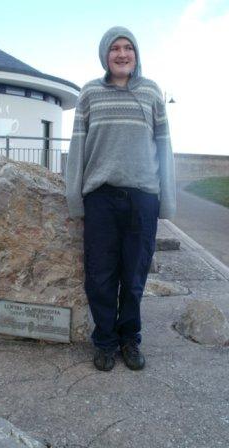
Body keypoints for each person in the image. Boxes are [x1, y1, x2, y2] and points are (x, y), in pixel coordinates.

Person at [65, 26, 176, 372]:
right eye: (115, 48)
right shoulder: (89, 95)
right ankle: (105, 341)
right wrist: (74, 199)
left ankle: (130, 339)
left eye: (128, 48)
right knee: (99, 275)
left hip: (143, 199)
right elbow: (77, 150)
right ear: (105, 55)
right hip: (101, 198)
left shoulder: (152, 93)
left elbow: (165, 148)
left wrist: (167, 202)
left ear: (136, 54)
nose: (122, 54)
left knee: (134, 275)